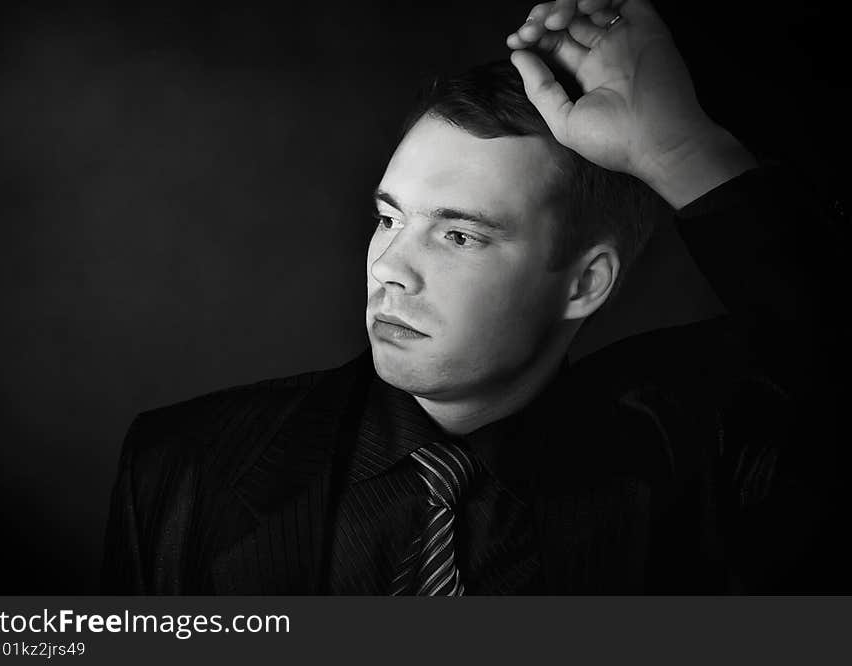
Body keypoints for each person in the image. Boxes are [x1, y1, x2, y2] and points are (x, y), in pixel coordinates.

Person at [101, 0, 843, 594]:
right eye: (389, 218)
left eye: (459, 236)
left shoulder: (700, 454)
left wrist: (683, 152)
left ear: (586, 283)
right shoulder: (183, 464)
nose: (390, 268)